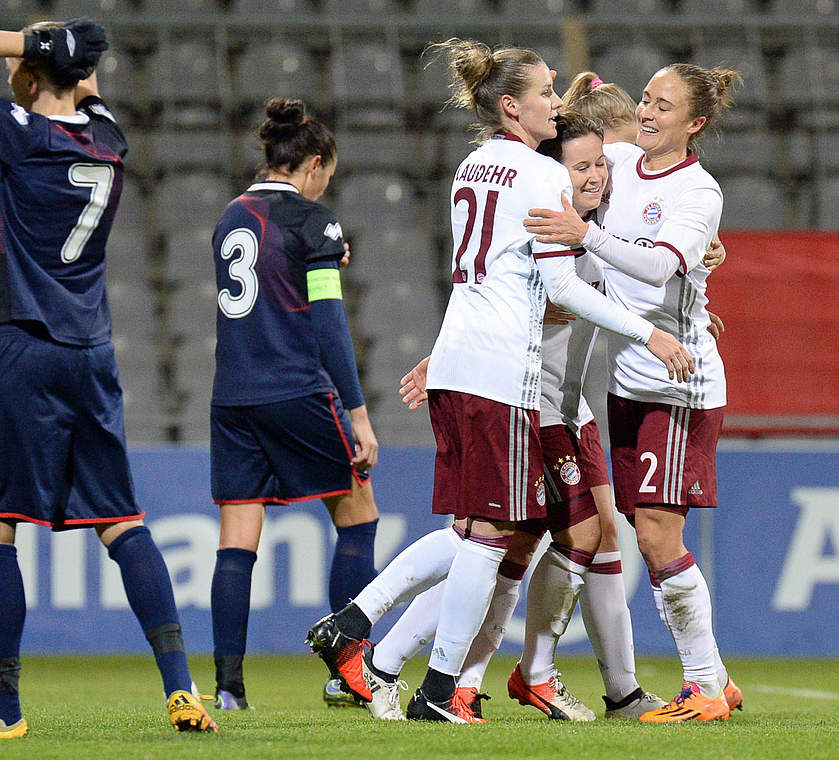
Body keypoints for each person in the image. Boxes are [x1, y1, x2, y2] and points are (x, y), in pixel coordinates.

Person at [307, 39, 694, 724]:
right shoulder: (542, 178)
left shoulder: (471, 167)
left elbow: (487, 273)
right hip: (500, 374)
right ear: (512, 105)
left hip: (461, 360)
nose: (556, 102)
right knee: (492, 536)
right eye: (545, 92)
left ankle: (383, 646)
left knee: (483, 531)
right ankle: (427, 679)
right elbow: (559, 287)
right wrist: (648, 331)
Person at [0, 19, 215, 739]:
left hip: (21, 341)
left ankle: (2, 711)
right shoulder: (108, 138)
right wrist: (60, 56)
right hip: (91, 350)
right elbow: (86, 85)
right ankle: (182, 689)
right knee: (121, 520)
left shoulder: (21, 133)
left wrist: (23, 37)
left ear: (27, 74)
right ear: (86, 79)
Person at [368, 112, 672, 723]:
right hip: (530, 402)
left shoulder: (594, 229)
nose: (597, 176)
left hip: (568, 405)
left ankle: (537, 678)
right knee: (500, 539)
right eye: (582, 166)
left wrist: (689, 288)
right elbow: (514, 302)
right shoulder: (548, 225)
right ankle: (410, 659)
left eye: (601, 164)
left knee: (565, 536)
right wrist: (445, 355)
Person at [524, 66, 745, 722]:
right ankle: (716, 680)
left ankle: (703, 687)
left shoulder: (697, 192)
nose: (647, 113)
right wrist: (575, 96)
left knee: (655, 535)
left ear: (694, 123)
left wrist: (584, 235)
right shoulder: (621, 158)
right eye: (646, 99)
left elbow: (654, 263)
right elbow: (569, 154)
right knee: (646, 531)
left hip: (676, 386)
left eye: (663, 106)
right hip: (631, 383)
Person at [208, 97, 382, 710]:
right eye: (325, 176)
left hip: (232, 397)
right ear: (312, 163)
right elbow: (330, 323)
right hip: (296, 389)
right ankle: (346, 672)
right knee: (359, 517)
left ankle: (229, 689)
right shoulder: (315, 221)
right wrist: (358, 413)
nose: (323, 187)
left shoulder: (230, 216)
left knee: (237, 540)